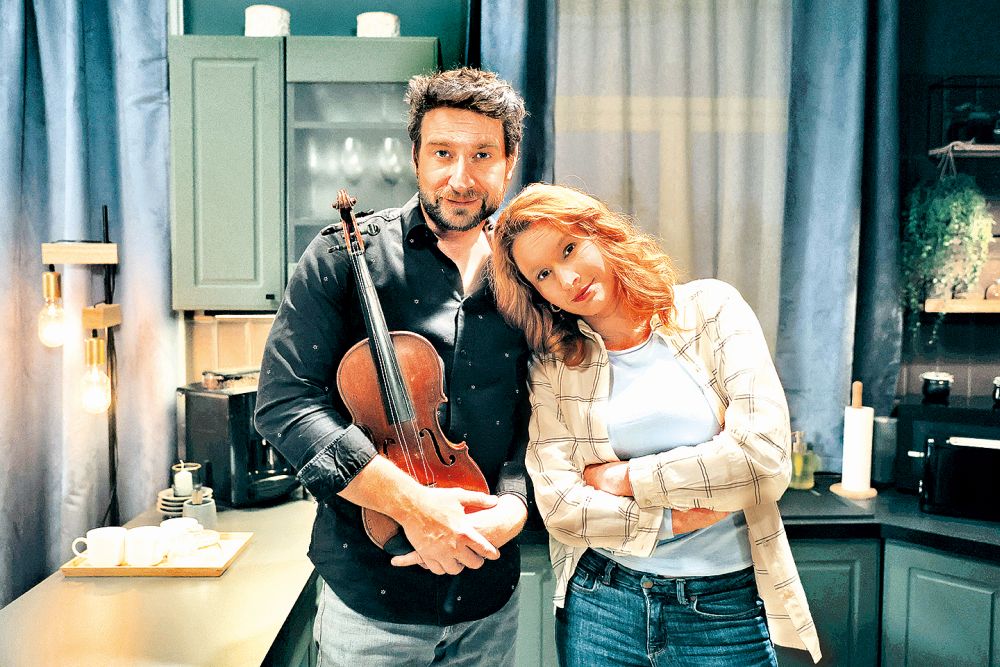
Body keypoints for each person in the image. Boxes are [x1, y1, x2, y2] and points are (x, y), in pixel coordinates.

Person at [254, 68, 532, 666]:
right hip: (370, 604)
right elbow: (285, 404)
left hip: (489, 598)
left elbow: (540, 415)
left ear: (509, 163)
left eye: (483, 155)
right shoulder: (340, 255)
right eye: (442, 153)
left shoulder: (532, 273)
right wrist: (412, 504)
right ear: (415, 157)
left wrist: (514, 503)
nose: (461, 178)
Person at [488, 183, 822, 666]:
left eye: (569, 248)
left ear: (600, 233)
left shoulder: (711, 311)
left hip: (724, 608)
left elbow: (764, 462)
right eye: (544, 274)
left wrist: (624, 478)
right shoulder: (554, 366)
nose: (567, 277)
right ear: (538, 293)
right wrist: (671, 520)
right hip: (602, 604)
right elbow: (561, 507)